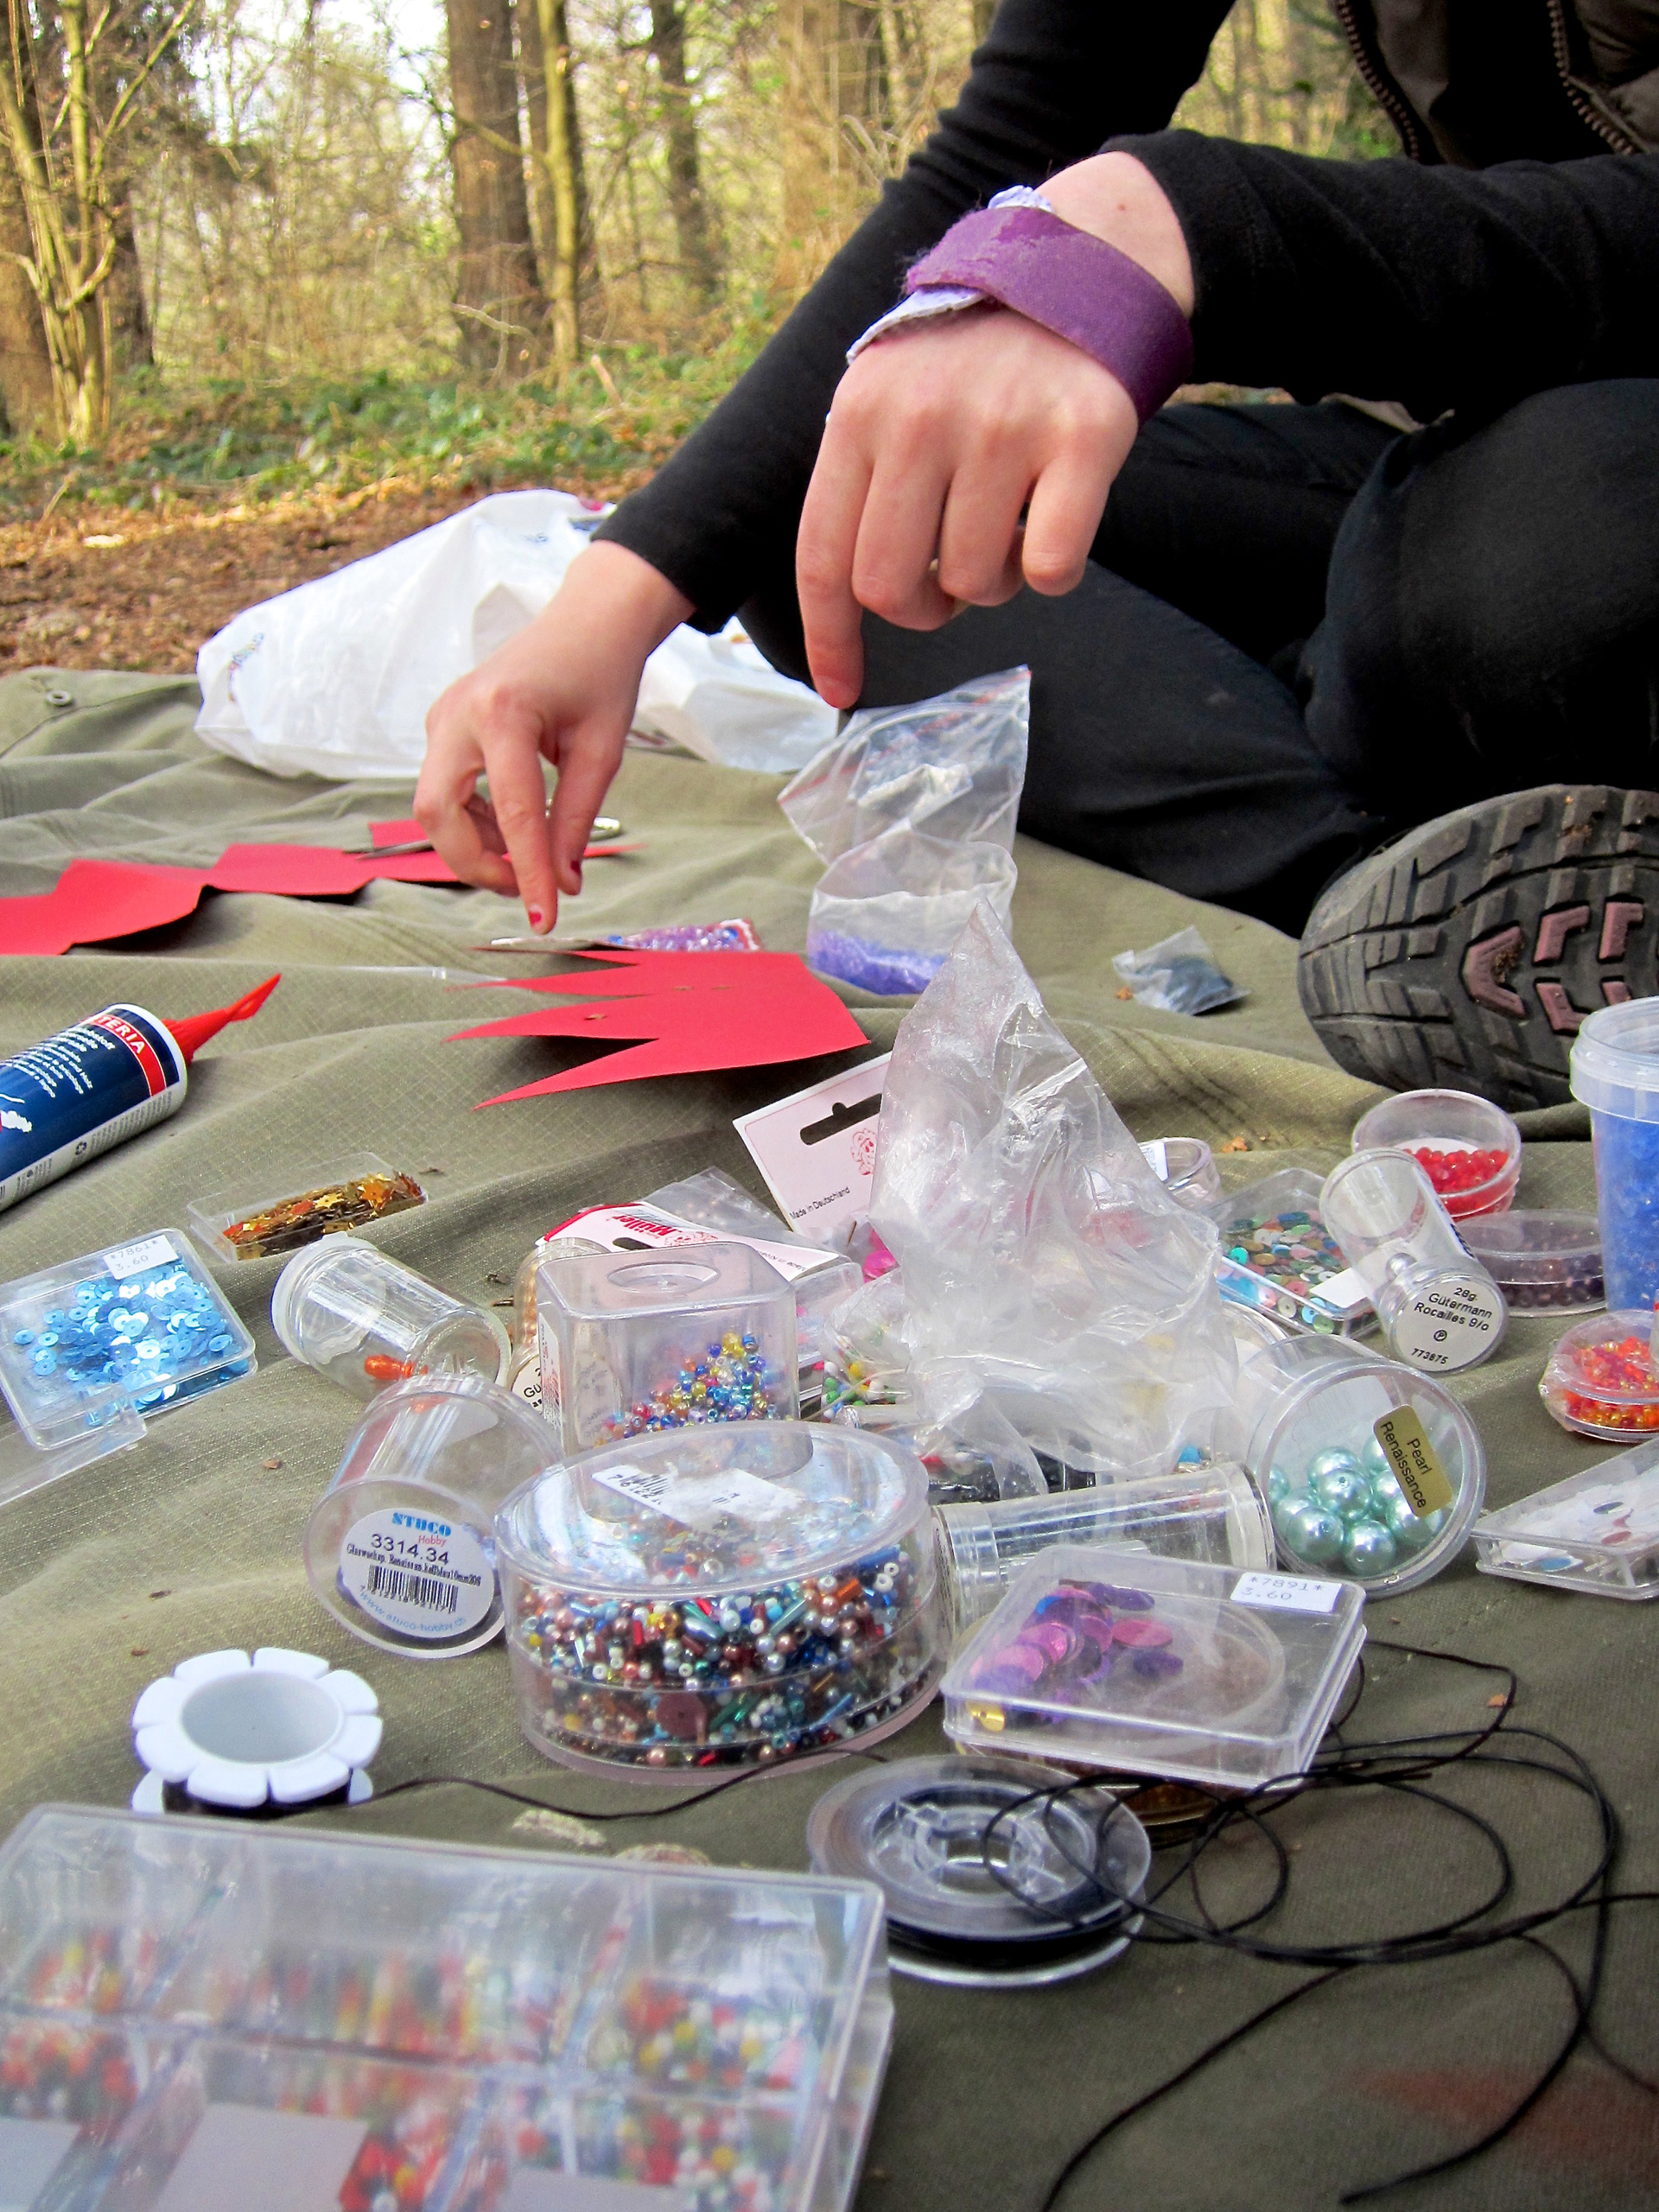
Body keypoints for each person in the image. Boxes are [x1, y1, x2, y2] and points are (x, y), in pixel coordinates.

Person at [415, 0, 1659, 1110]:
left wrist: (1201, 225)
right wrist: (615, 595)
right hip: (1424, 434)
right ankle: (1376, 894)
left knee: (1519, 558)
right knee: (839, 519)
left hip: (1589, 468)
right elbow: (1007, 145)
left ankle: (1352, 692)